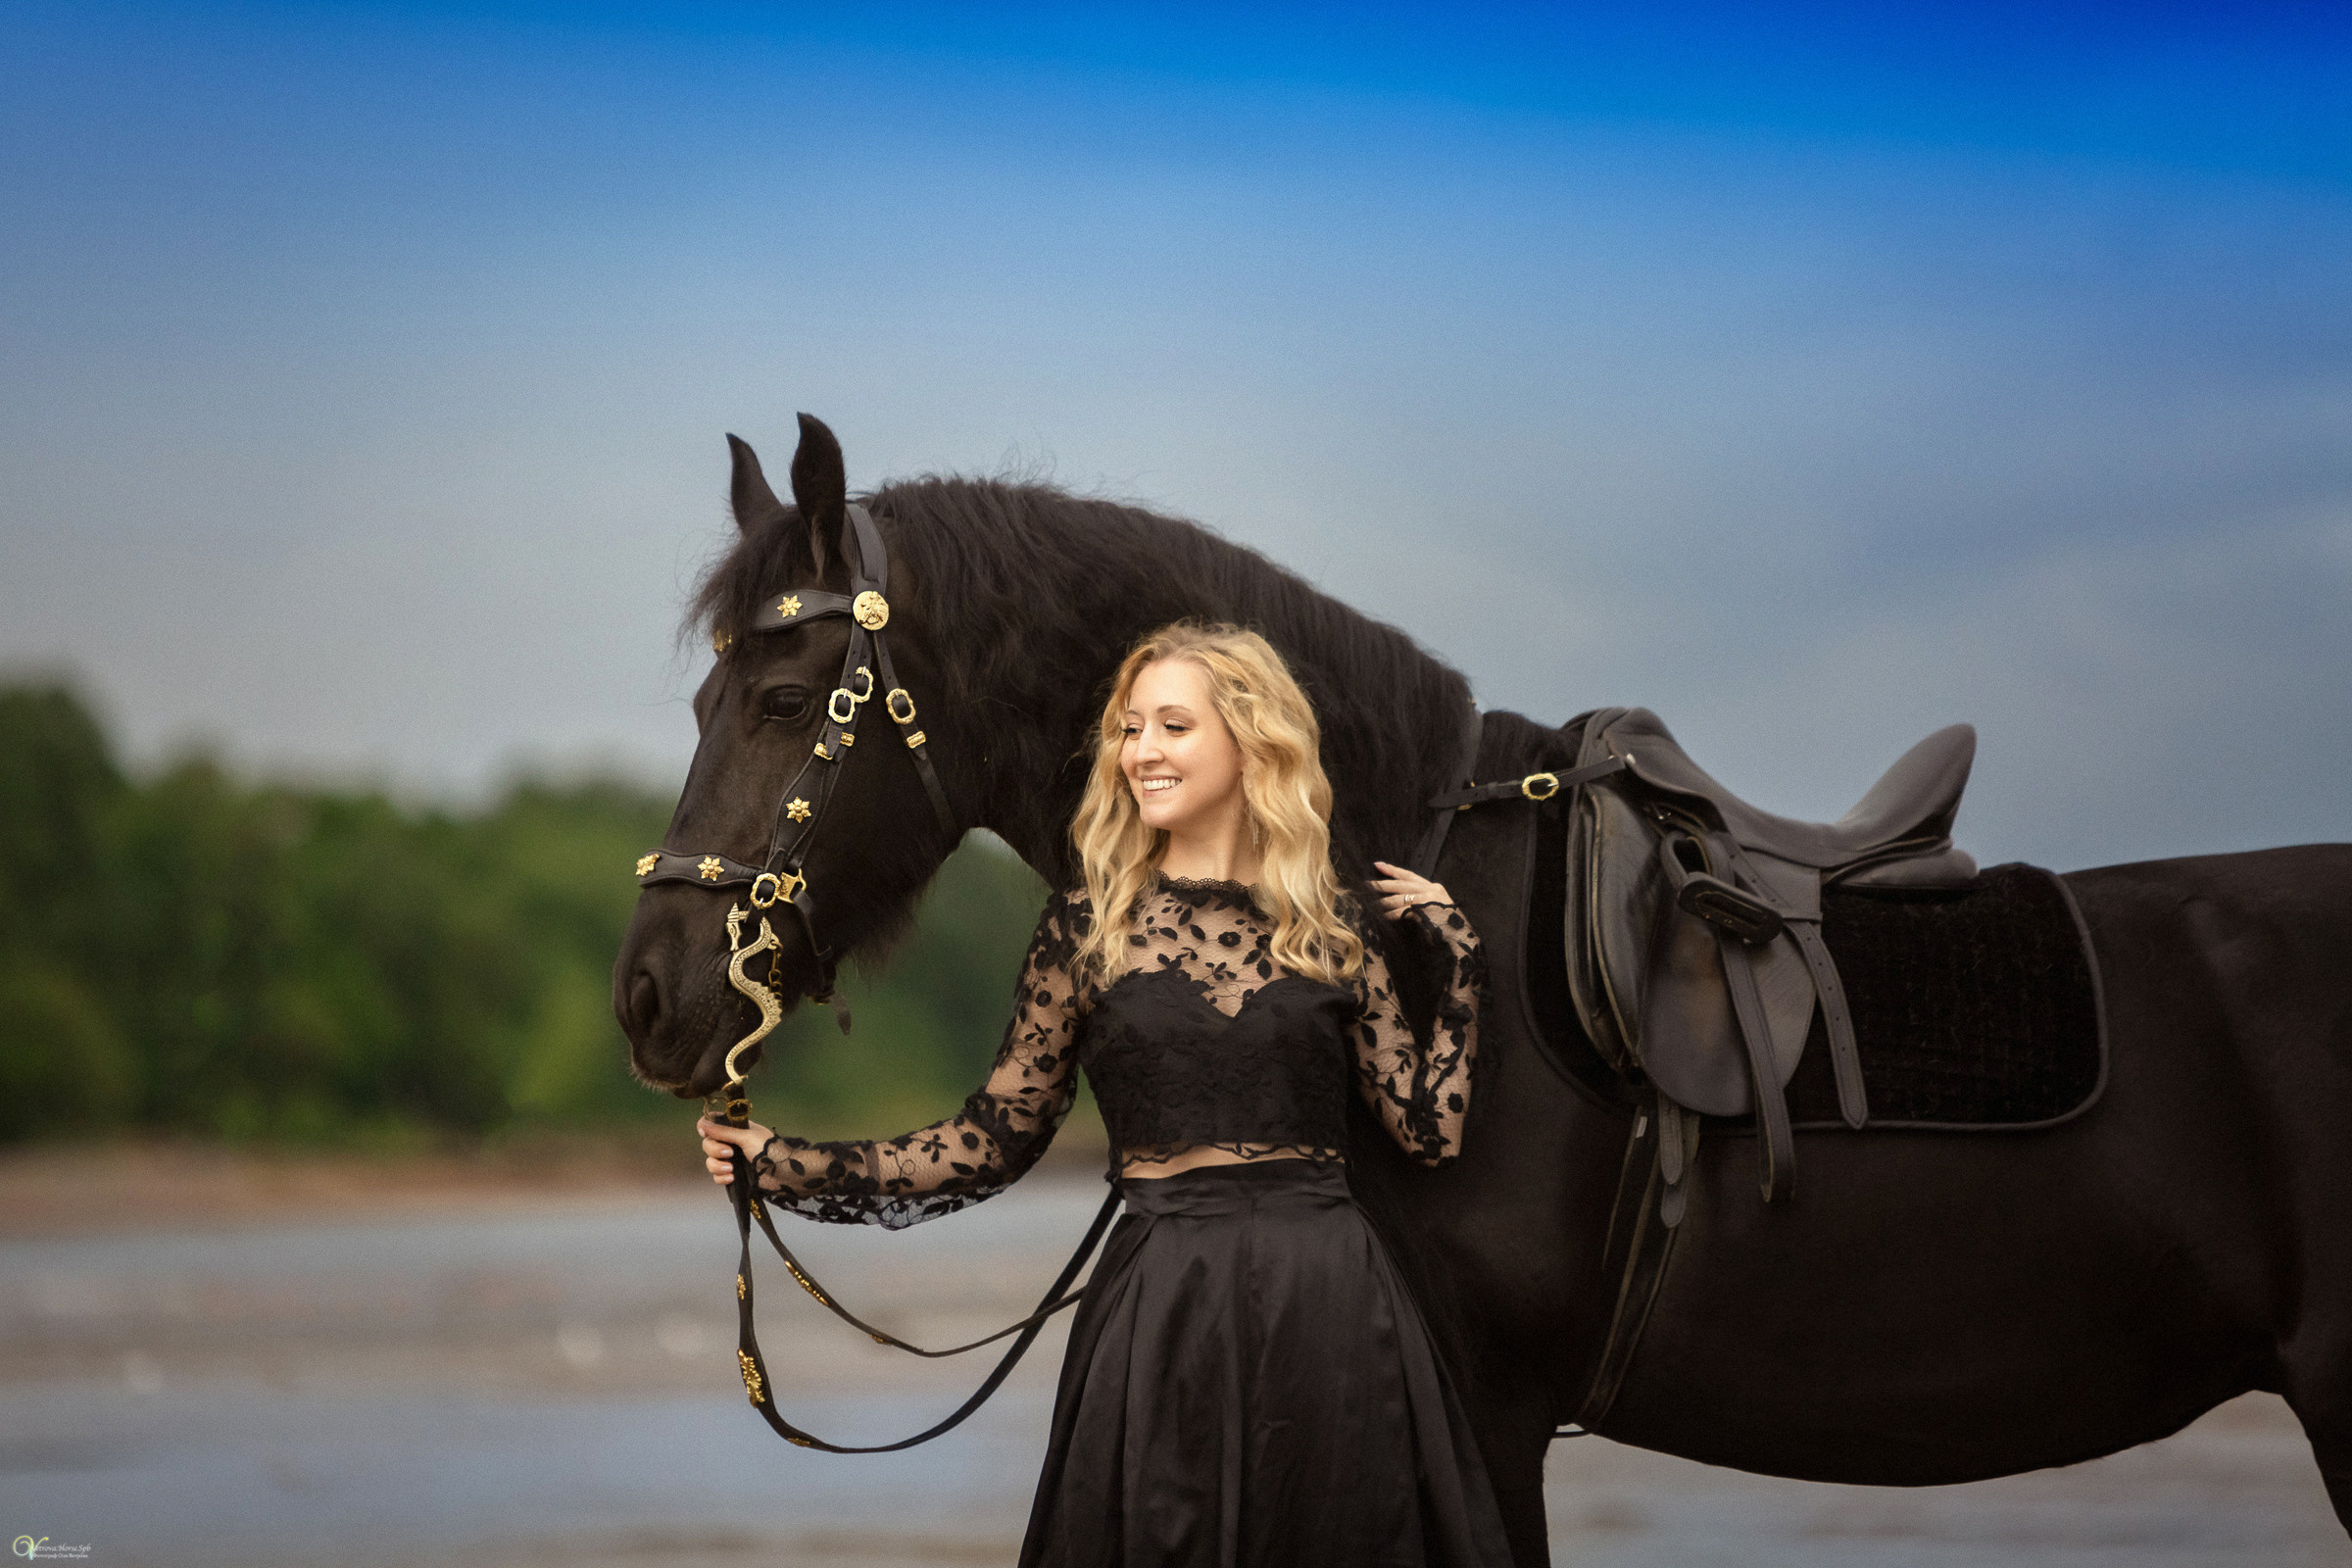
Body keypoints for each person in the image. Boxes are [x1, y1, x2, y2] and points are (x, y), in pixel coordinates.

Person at [697, 621, 1512, 1567]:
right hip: (1162, 1303)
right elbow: (989, 1139)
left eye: (1173, 725)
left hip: (1329, 1303)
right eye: (1130, 729)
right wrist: (783, 1164)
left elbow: (1428, 1129)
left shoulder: (1329, 927)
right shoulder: (1086, 928)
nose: (1142, 753)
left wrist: (1458, 964)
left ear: (1253, 741)